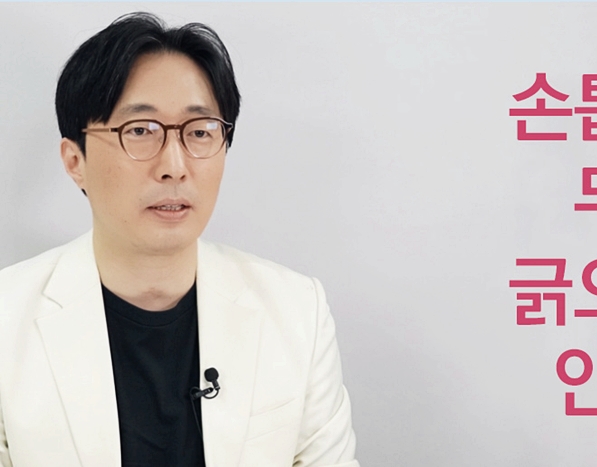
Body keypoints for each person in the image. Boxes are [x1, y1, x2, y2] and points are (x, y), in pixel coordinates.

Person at [0, 12, 358, 467]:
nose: (174, 166)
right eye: (140, 131)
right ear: (75, 161)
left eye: (200, 132)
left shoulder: (296, 313)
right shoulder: (7, 320)